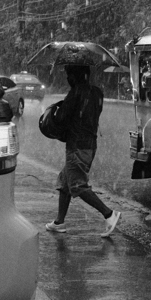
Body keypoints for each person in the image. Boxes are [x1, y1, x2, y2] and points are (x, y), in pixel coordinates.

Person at [45, 64, 122, 237]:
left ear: (75, 76)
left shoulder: (76, 93)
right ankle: (59, 222)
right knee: (65, 182)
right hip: (90, 144)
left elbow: (61, 118)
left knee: (77, 186)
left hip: (77, 146)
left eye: (69, 75)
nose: (67, 78)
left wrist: (56, 112)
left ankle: (109, 214)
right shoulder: (97, 92)